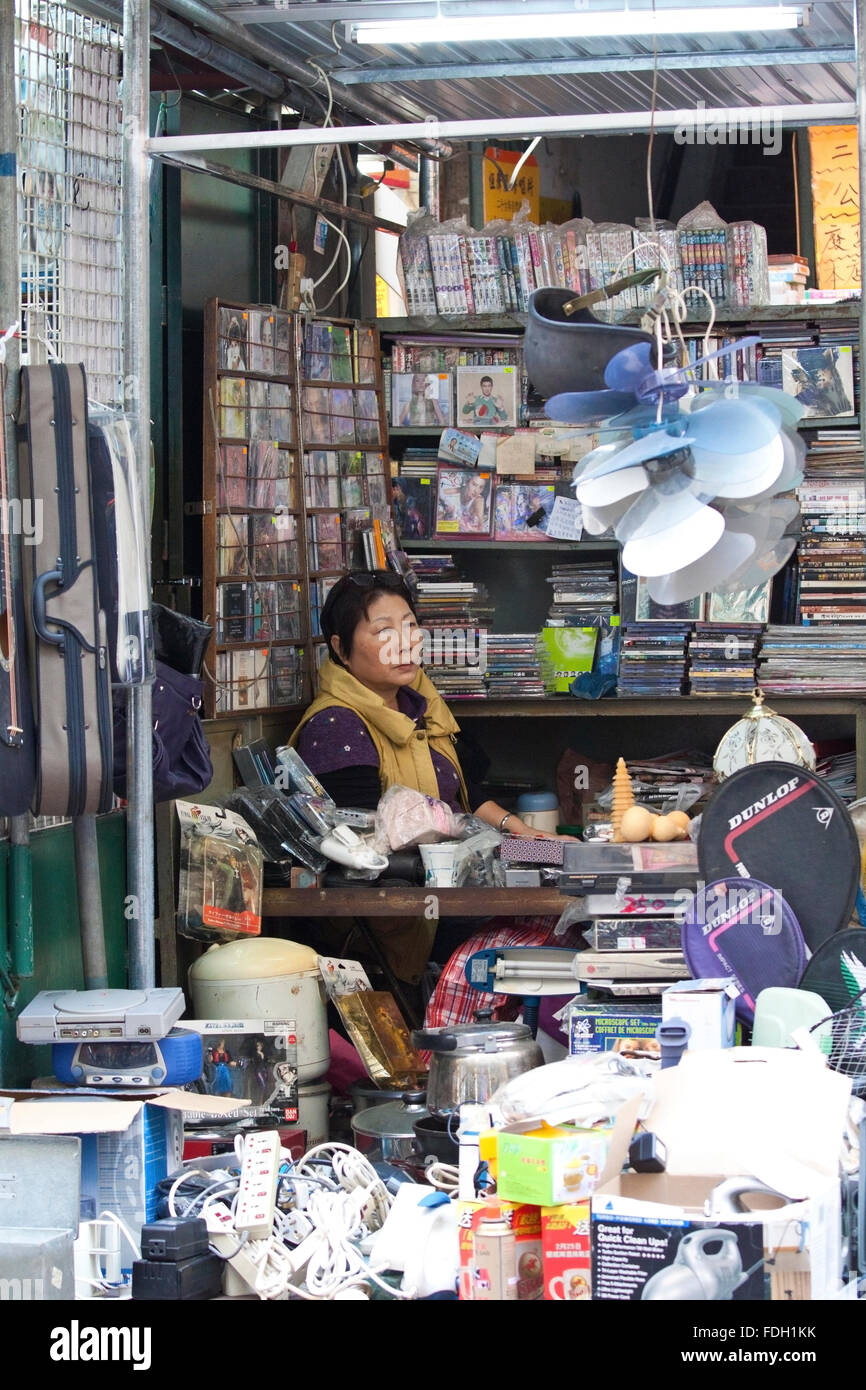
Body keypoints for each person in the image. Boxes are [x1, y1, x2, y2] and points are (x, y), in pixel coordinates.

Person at [289, 571, 572, 991]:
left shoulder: (419, 705)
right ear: (340, 650)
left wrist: (526, 834)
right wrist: (519, 852)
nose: (403, 643)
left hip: (454, 886)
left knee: (571, 879)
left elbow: (459, 794)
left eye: (409, 627)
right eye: (383, 631)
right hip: (401, 917)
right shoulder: (337, 727)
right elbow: (368, 848)